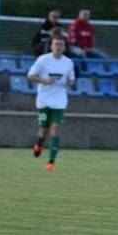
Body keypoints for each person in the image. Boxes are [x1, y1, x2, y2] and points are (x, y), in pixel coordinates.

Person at [27, 31, 75, 172]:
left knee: (55, 129)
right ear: (51, 46)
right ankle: (39, 144)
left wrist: (70, 82)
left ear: (64, 47)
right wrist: (44, 80)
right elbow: (30, 76)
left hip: (59, 102)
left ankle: (51, 161)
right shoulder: (43, 60)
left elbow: (71, 81)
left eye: (61, 44)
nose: (58, 47)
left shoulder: (68, 62)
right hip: (43, 101)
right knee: (43, 131)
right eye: (56, 44)